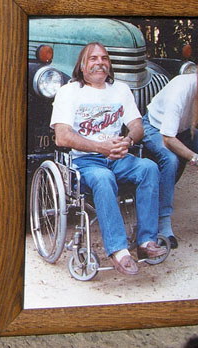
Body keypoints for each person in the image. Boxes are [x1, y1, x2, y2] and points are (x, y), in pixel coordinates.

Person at [50, 42, 166, 276]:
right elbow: (62, 137)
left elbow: (137, 126)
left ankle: (145, 242)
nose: (99, 62)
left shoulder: (120, 90)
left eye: (104, 58)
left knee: (149, 168)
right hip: (85, 162)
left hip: (117, 157)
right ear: (82, 66)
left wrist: (128, 141)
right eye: (93, 58)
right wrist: (100, 147)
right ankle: (118, 251)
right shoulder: (69, 92)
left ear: (109, 65)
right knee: (103, 178)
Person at [141, 48, 198, 250]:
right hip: (153, 127)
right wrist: (196, 160)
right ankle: (163, 224)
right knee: (171, 159)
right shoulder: (182, 88)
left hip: (182, 130)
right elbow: (167, 139)